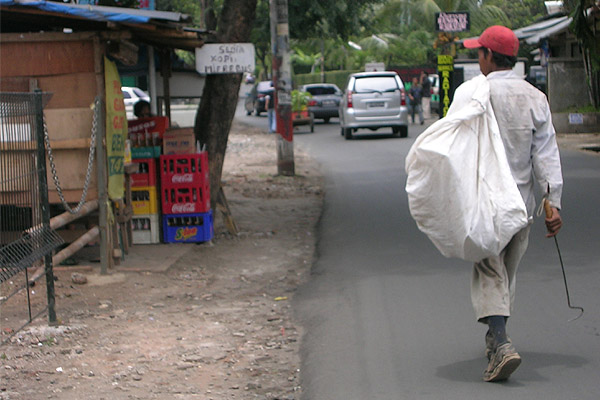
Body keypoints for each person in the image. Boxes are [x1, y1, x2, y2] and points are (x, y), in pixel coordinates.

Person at [459, 25, 563, 382]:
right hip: (521, 206)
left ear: (488, 56)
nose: (477, 59)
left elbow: (454, 147)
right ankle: (495, 339)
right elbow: (545, 156)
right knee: (505, 275)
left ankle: (501, 342)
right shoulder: (535, 97)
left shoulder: (473, 93)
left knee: (490, 272)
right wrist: (553, 204)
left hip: (485, 204)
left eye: (479, 53)